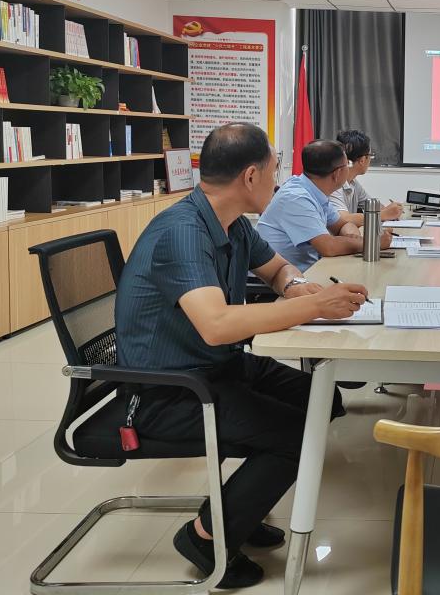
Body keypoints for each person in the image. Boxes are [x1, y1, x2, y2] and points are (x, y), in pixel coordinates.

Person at [114, 123, 369, 589]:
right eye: (274, 170)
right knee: (295, 433)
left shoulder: (231, 224)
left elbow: (276, 268)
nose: (278, 181)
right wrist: (314, 306)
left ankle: (241, 509)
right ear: (251, 176)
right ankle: (205, 536)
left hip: (215, 366)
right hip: (169, 390)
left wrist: (295, 286)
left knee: (322, 398)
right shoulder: (183, 232)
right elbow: (216, 325)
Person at [257, 139, 392, 270]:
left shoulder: (315, 190)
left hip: (308, 270)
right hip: (281, 279)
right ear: (337, 173)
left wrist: (354, 238)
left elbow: (342, 225)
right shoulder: (296, 197)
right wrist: (372, 243)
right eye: (348, 164)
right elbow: (328, 247)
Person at [329, 129, 402, 227]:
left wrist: (391, 210)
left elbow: (374, 206)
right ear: (362, 160)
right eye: (370, 156)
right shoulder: (334, 184)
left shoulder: (353, 182)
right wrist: (383, 215)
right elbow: (343, 219)